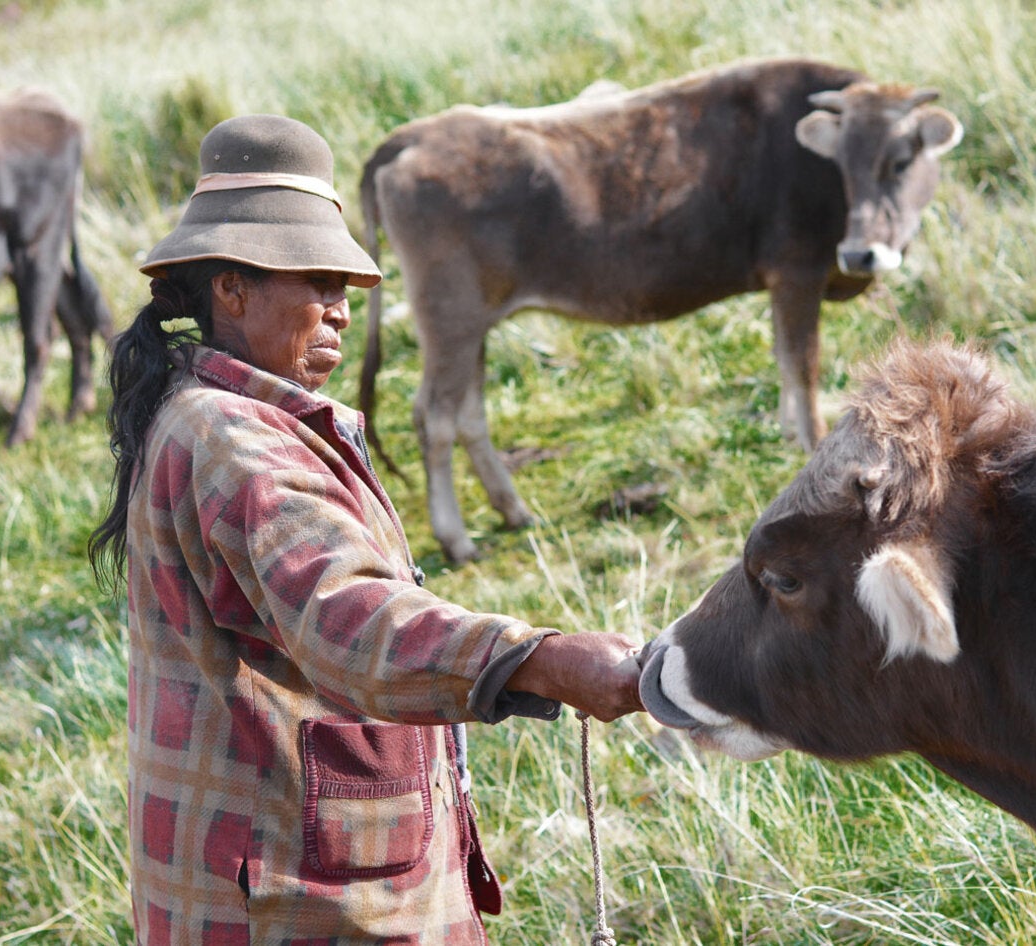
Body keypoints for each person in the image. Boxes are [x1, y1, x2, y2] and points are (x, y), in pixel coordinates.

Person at [88, 114, 644, 945]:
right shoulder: (234, 441)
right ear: (231, 289)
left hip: (249, 871)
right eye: (317, 281)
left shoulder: (206, 417)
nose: (341, 311)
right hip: (299, 903)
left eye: (345, 288)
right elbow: (347, 618)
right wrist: (540, 657)